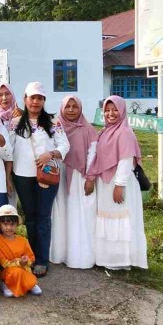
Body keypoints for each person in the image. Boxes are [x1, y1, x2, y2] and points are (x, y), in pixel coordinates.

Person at [9, 82, 70, 278]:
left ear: (44, 101)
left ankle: (42, 260)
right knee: (30, 217)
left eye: (39, 98)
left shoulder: (53, 123)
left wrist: (50, 154)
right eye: (32, 97)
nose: (35, 102)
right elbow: (9, 149)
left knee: (43, 217)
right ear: (25, 99)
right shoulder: (16, 123)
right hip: (22, 176)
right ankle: (32, 255)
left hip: (46, 175)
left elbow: (65, 145)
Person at [86, 96, 148, 270]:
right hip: (105, 182)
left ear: (122, 111)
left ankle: (121, 260)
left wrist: (119, 185)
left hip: (120, 183)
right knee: (107, 217)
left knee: (121, 219)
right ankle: (108, 258)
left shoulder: (125, 133)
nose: (111, 114)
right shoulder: (105, 131)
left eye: (115, 110)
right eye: (107, 110)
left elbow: (126, 160)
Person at [51, 95, 98, 269]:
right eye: (67, 106)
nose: (71, 110)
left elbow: (93, 156)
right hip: (58, 175)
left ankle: (79, 257)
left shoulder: (88, 129)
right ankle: (59, 253)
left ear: (80, 108)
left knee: (79, 215)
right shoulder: (54, 126)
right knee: (60, 213)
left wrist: (90, 178)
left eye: (74, 106)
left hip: (80, 177)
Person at [0, 204, 41, 298]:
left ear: (17, 224)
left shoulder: (23, 240)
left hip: (24, 267)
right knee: (15, 272)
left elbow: (30, 256)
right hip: (7, 269)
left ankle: (30, 284)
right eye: (5, 224)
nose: (9, 228)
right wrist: (19, 262)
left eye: (12, 224)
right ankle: (7, 284)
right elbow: (2, 261)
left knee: (23, 271)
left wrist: (26, 260)